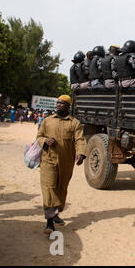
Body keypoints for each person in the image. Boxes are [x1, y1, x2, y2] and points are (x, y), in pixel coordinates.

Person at [36, 95, 87, 234]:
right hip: (48, 160)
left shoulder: (74, 123)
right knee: (49, 187)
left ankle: (56, 213)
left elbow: (80, 139)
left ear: (68, 106)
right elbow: (38, 137)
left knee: (61, 188)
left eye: (62, 103)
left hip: (66, 162)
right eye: (57, 103)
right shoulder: (47, 121)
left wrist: (81, 153)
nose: (58, 105)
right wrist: (45, 141)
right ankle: (49, 222)